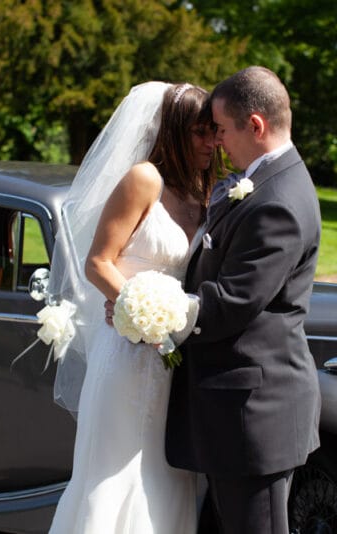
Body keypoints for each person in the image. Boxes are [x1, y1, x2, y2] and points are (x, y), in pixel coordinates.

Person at [47, 81, 219, 533]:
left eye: (213, 132)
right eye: (200, 133)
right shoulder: (144, 179)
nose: (210, 143)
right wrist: (135, 305)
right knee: (115, 472)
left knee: (166, 476)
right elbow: (98, 262)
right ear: (175, 133)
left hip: (173, 356)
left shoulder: (203, 188)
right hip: (126, 349)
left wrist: (169, 321)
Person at [166, 66, 322, 534]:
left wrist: (151, 311)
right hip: (235, 410)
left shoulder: (278, 200)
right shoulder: (266, 182)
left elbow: (233, 301)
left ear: (255, 126)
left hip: (254, 414)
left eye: (221, 130)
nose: (216, 142)